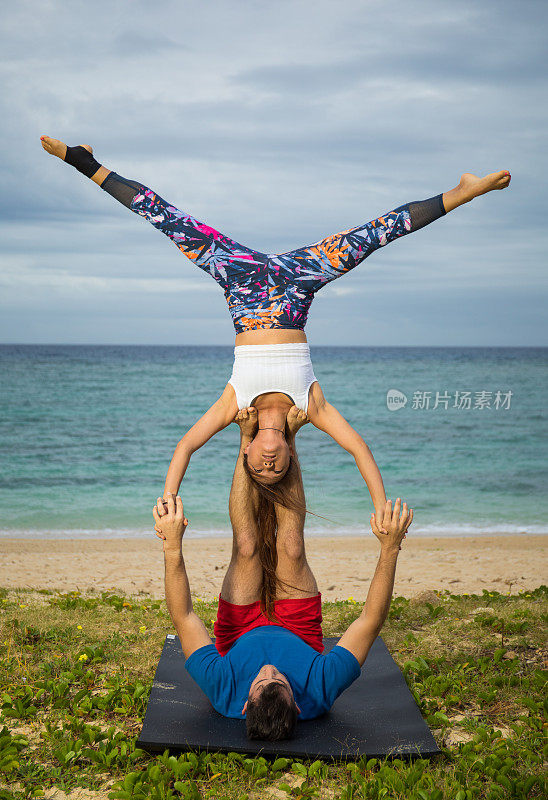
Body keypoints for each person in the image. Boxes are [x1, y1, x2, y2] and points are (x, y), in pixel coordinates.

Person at [40, 136, 511, 525]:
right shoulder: (312, 405)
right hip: (297, 282)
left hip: (240, 281)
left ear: (246, 456)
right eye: (276, 467)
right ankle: (464, 191)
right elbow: (359, 450)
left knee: (165, 217)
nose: (268, 464)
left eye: (260, 468)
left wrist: (168, 500)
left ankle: (87, 164)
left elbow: (185, 446)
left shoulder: (234, 406)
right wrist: (381, 508)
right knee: (375, 234)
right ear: (288, 453)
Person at [152, 410, 413, 741]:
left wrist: (172, 547)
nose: (269, 669)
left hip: (239, 632)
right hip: (298, 630)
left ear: (245, 704)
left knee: (246, 548)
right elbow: (369, 622)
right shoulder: (319, 691)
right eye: (280, 680)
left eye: (262, 681)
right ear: (299, 705)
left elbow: (184, 618)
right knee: (291, 548)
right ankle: (288, 438)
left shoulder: (222, 689)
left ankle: (248, 439)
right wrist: (390, 549)